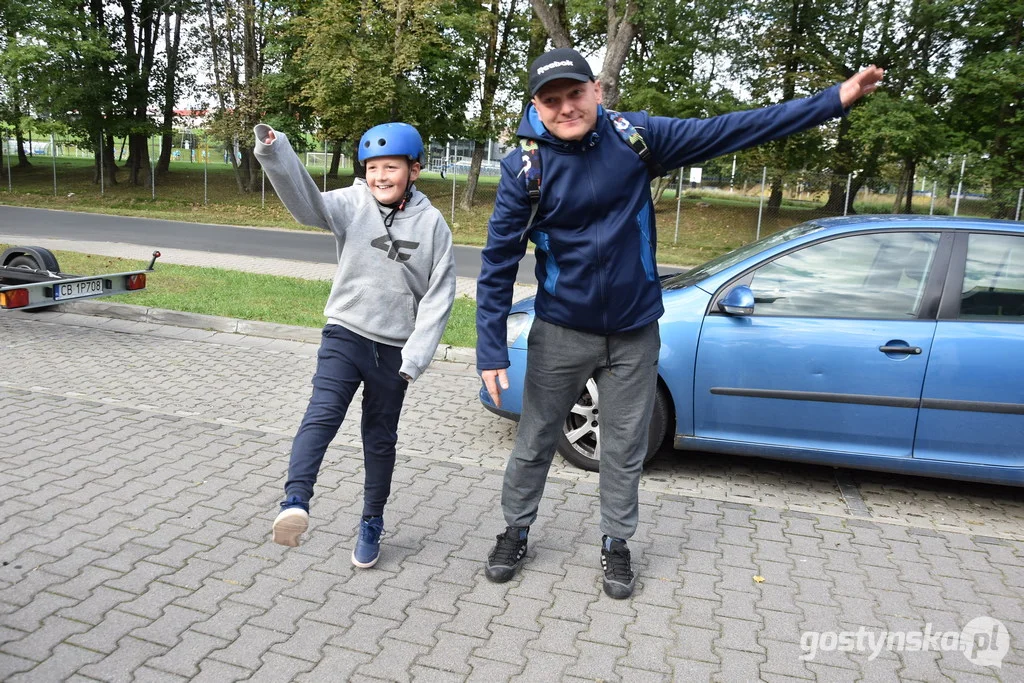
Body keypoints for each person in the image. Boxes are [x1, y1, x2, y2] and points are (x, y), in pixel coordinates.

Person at [476, 47, 884, 598]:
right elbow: (498, 262)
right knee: (534, 438)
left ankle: (616, 544)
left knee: (623, 446)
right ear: (536, 107)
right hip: (560, 330)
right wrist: (491, 352)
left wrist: (832, 101)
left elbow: (733, 130)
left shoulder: (636, 138)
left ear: (596, 90)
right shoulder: (524, 169)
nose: (566, 108)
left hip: (634, 331)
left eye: (575, 94)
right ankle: (515, 530)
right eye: (552, 101)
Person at [254, 121, 456, 568]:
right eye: (373, 168)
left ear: (414, 170)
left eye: (391, 167)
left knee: (379, 440)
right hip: (345, 332)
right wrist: (275, 151)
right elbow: (307, 206)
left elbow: (440, 294)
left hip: (394, 351)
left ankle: (371, 521)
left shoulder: (432, 223)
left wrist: (415, 359)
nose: (381, 176)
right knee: (322, 412)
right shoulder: (352, 201)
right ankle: (295, 499)